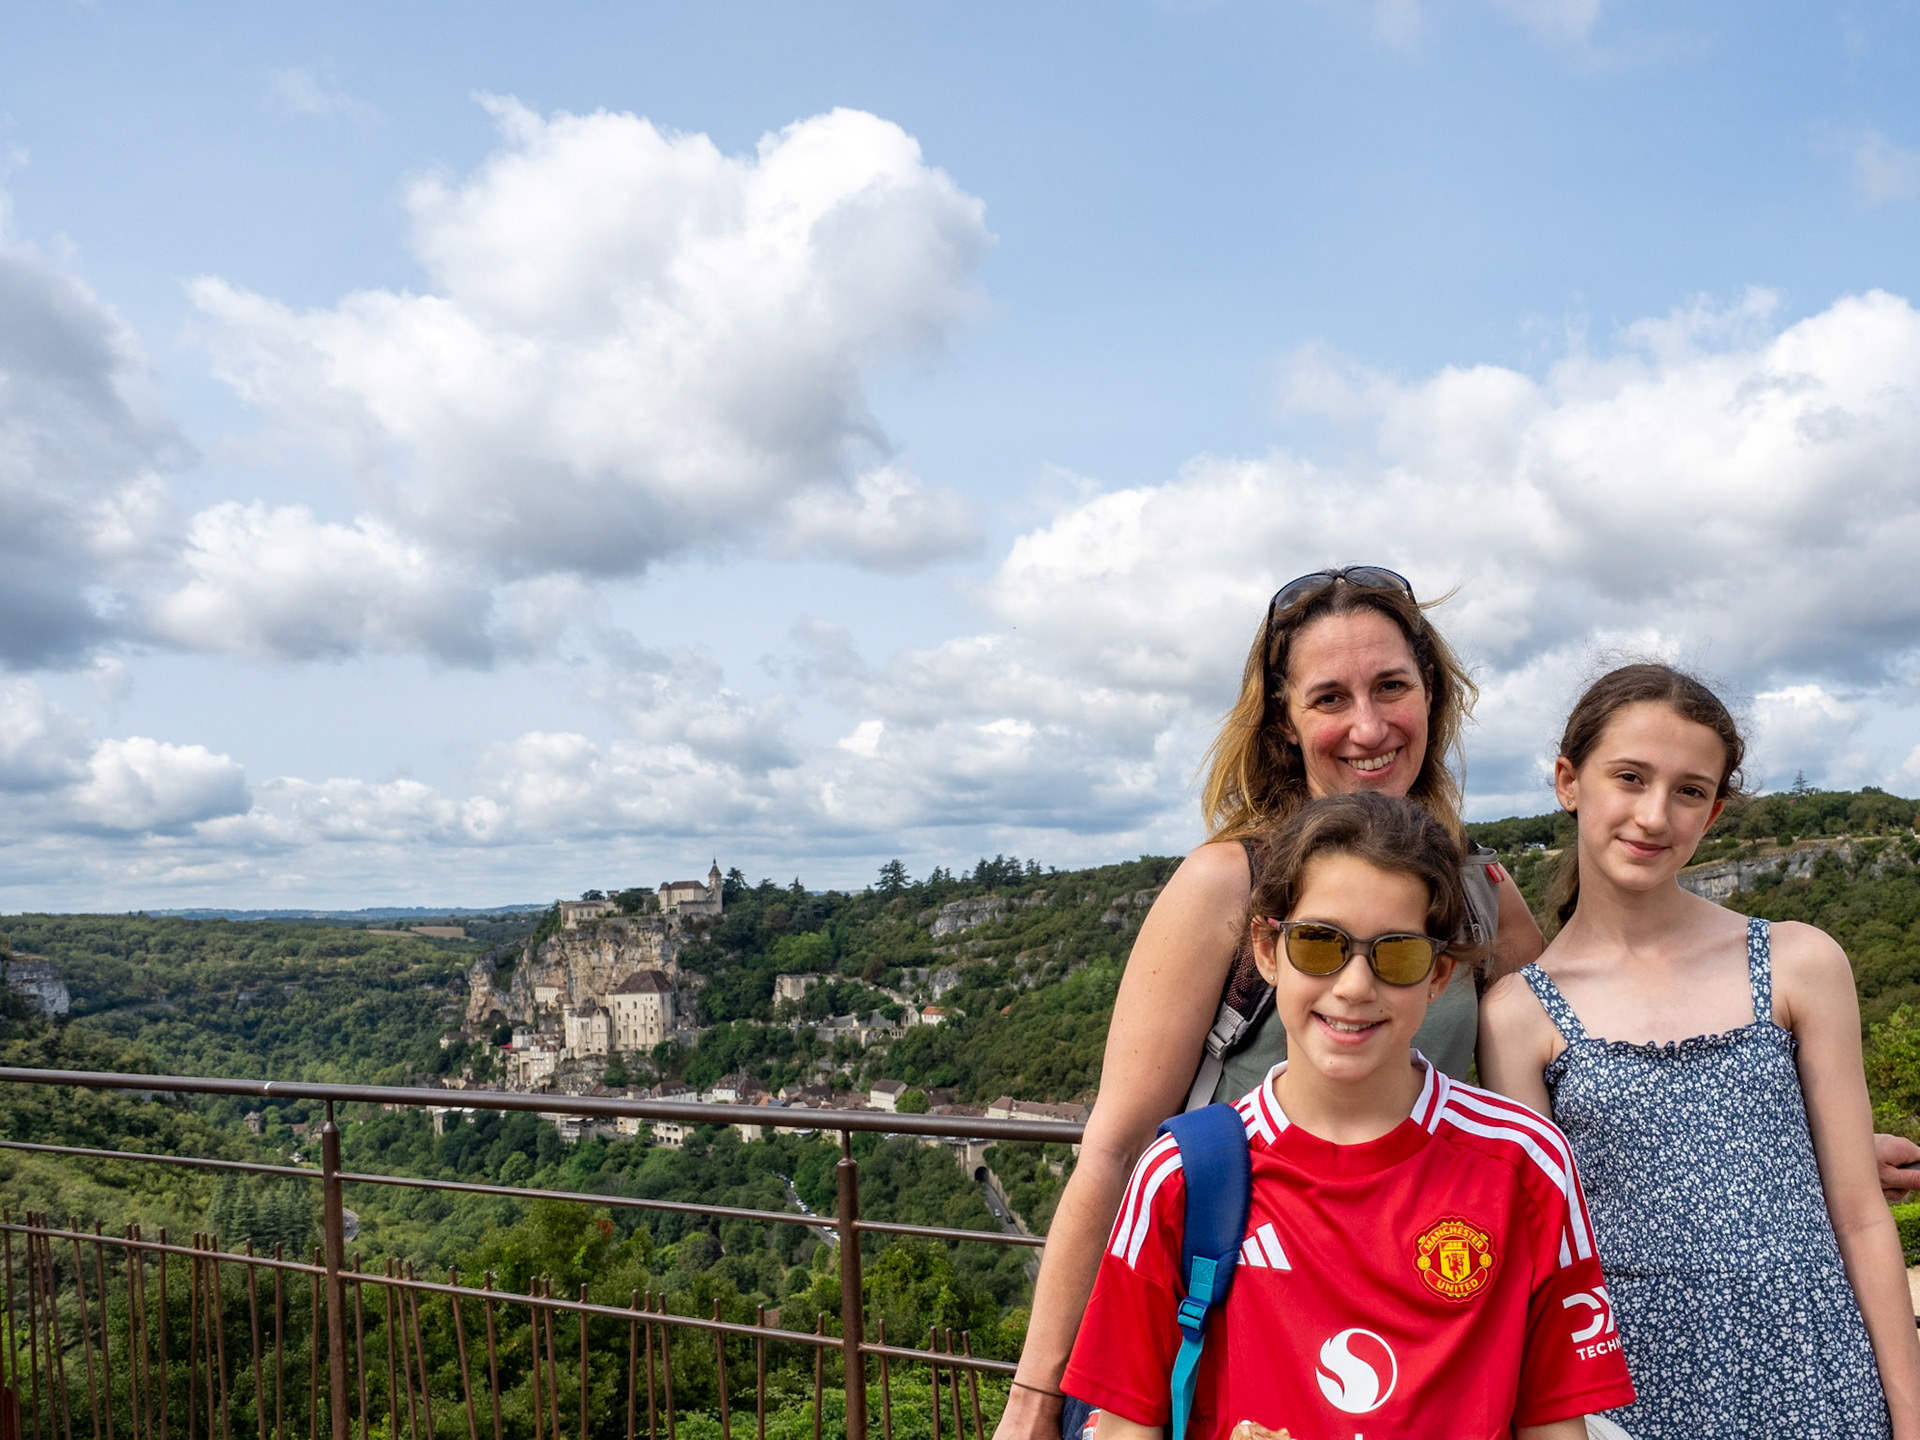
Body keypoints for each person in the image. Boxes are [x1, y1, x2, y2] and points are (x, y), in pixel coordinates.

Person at [1001, 567, 1547, 1439]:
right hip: (1223, 1336)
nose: (1368, 726)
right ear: (1286, 724)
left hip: (1407, 1341)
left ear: (1431, 698)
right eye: (1330, 697)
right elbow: (1115, 1146)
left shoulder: (1479, 893)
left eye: (1392, 687)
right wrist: (1036, 1397)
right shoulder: (1230, 882)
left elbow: (1568, 1073)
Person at [1061, 793, 1635, 1440]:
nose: (1355, 986)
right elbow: (1123, 1423)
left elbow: (1556, 1420)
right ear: (1267, 950)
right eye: (1318, 942)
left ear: (1439, 974)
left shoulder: (1524, 1162)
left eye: (1397, 955)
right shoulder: (1183, 1175)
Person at [1478, 664, 1920, 1438]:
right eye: (1630, 777)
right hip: (1634, 1392)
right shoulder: (1517, 1013)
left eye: (1688, 791)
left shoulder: (1798, 961)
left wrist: (1911, 1414)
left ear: (1713, 812)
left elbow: (1858, 1217)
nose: (1654, 815)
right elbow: (1548, 1260)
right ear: (1567, 780)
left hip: (1819, 1372)